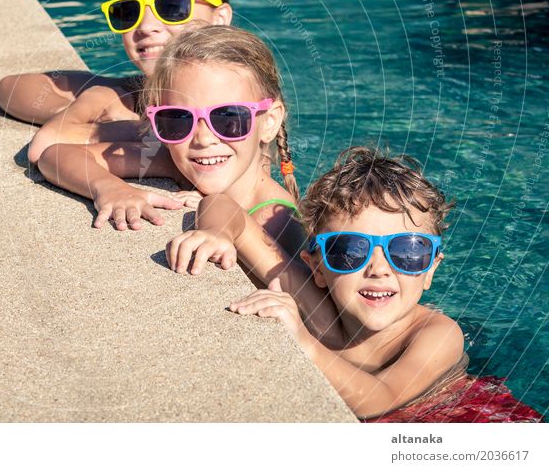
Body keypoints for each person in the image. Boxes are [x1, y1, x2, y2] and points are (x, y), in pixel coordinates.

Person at [190, 146, 540, 421]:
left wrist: (302, 341)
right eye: (348, 250)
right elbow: (222, 205)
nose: (379, 268)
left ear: (431, 269)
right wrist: (214, 233)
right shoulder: (315, 306)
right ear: (318, 268)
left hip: (464, 417)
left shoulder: (437, 335)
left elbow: (378, 400)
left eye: (407, 251)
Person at [38, 25, 307, 279]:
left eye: (228, 118)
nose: (203, 138)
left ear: (269, 122)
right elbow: (55, 155)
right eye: (178, 119)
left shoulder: (280, 221)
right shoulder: (175, 162)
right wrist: (108, 188)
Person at [0, 0, 233, 164]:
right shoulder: (134, 96)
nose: (146, 26)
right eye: (129, 11)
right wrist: (85, 116)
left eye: (172, 6)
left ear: (219, 18)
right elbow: (10, 88)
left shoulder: (244, 100)